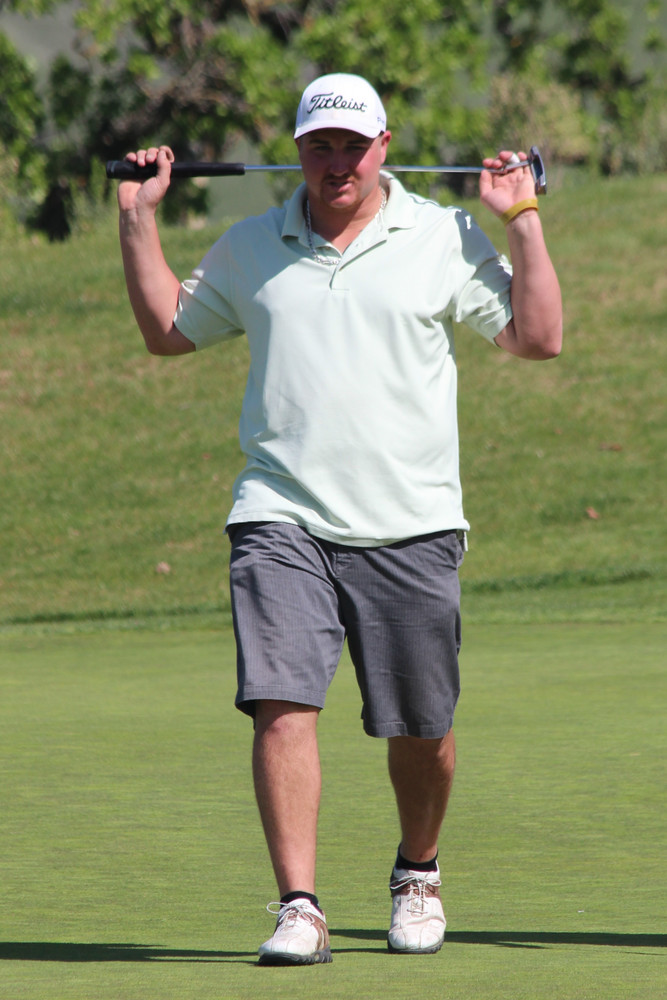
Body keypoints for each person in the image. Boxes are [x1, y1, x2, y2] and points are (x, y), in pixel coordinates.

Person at [117, 72, 562, 965]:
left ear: (382, 147)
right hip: (280, 514)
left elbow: (537, 336)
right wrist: (136, 218)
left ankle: (417, 872)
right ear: (297, 150)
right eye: (320, 145)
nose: (337, 163)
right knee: (280, 706)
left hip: (411, 520)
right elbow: (168, 331)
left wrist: (521, 217)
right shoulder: (252, 246)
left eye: (353, 146)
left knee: (421, 728)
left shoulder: (439, 233)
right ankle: (299, 905)